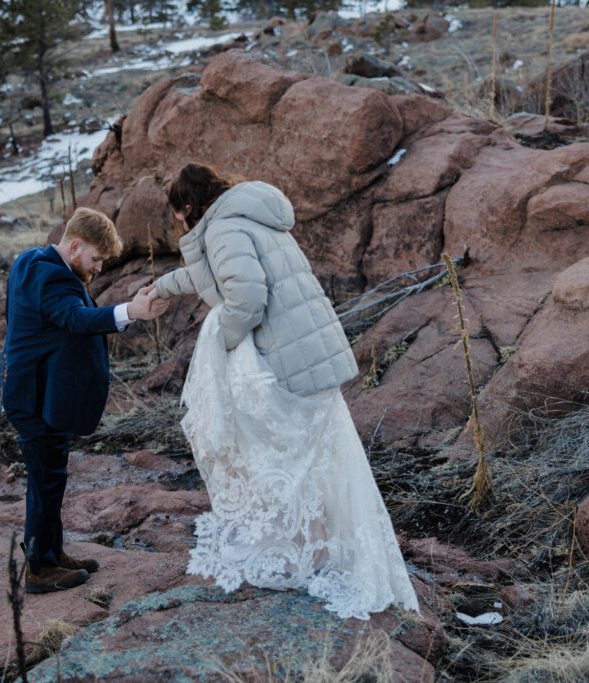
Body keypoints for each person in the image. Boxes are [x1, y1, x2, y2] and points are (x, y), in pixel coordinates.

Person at [151, 163, 419, 620]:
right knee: (313, 461)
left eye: (177, 213)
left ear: (189, 205)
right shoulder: (250, 216)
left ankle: (301, 557)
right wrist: (159, 287)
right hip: (310, 354)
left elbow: (247, 299)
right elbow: (215, 277)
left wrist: (225, 345)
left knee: (277, 458)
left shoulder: (223, 229)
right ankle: (317, 552)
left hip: (284, 360)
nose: (178, 223)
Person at [0, 207, 169, 594]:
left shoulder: (32, 261)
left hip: (32, 391)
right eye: (95, 258)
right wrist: (131, 312)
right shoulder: (51, 275)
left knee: (50, 477)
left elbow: (67, 316)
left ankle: (51, 553)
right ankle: (40, 568)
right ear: (74, 246)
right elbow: (74, 318)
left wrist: (127, 308)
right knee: (45, 479)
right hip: (35, 396)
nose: (98, 267)